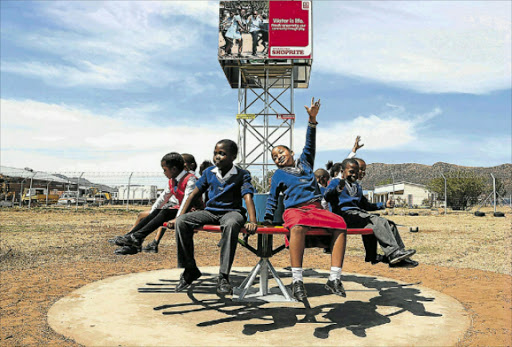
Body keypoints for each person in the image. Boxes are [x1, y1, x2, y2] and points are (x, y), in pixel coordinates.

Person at [264, 97, 348, 301]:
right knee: (298, 226)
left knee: (340, 223)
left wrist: (312, 120)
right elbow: (272, 198)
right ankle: (297, 281)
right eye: (275, 157)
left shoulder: (306, 165)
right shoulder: (279, 175)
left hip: (317, 209)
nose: (278, 157)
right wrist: (267, 216)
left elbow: (310, 144)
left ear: (291, 152)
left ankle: (334, 278)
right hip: (295, 211)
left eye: (281, 152)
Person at [172, 139, 258, 296]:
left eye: (222, 154)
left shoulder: (241, 174)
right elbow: (193, 195)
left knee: (232, 224)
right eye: (215, 153)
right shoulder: (208, 173)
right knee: (182, 222)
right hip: (211, 212)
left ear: (233, 156)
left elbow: (247, 197)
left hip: (232, 212)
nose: (217, 156)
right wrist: (180, 215)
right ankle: (190, 269)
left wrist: (252, 221)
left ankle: (223, 277)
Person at [323, 158, 418, 267]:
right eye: (352, 172)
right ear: (343, 172)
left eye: (357, 171)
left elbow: (365, 205)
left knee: (389, 224)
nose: (355, 174)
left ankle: (400, 257)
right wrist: (337, 189)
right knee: (374, 220)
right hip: (344, 216)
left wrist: (383, 205)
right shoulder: (336, 182)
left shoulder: (357, 187)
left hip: (358, 215)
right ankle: (392, 252)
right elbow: (327, 196)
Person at [114, 152, 199, 255]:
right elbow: (163, 198)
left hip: (193, 210)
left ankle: (135, 238)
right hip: (181, 209)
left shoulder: (190, 179)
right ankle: (132, 239)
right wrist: (153, 212)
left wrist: (178, 218)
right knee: (157, 211)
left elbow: (187, 200)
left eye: (165, 170)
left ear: (174, 169)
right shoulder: (172, 181)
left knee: (165, 212)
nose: (164, 173)